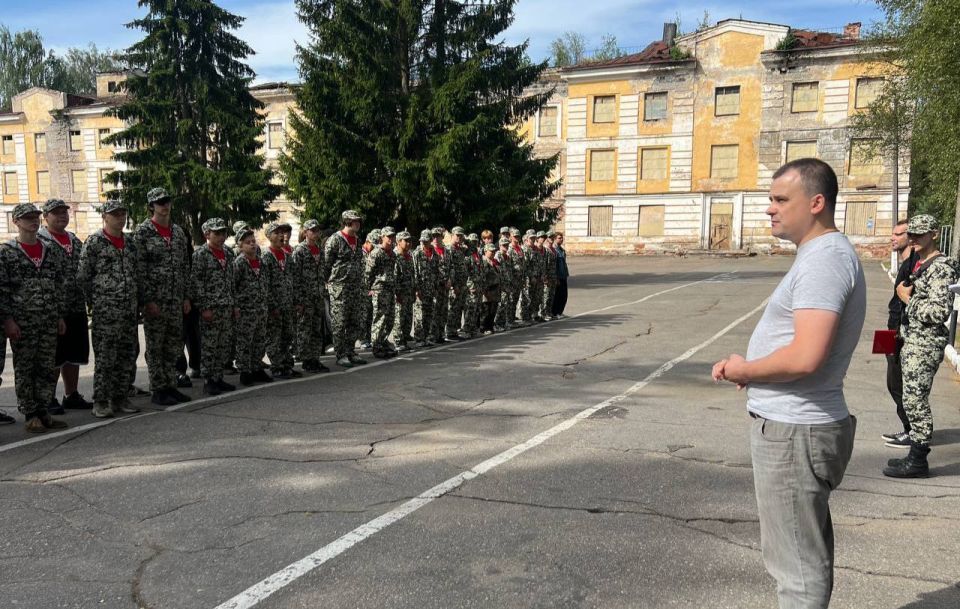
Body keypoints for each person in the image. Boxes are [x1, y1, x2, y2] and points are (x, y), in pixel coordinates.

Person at [712, 158, 864, 609]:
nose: (769, 209)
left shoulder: (826, 260)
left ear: (816, 203)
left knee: (796, 568)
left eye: (781, 199)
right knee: (801, 553)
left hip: (796, 431)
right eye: (770, 200)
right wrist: (758, 369)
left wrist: (745, 370)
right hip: (796, 426)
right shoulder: (821, 255)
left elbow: (806, 356)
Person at [884, 214, 960, 478]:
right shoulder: (918, 262)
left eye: (919, 234)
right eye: (911, 234)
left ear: (934, 234)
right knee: (906, 394)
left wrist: (907, 299)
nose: (913, 239)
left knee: (916, 400)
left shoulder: (942, 267)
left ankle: (918, 461)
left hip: (925, 343)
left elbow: (939, 312)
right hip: (907, 335)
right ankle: (913, 452)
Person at [0, 202, 69, 433]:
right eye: (27, 217)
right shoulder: (7, 253)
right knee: (26, 367)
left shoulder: (49, 249)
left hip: (48, 319)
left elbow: (57, 284)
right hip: (23, 322)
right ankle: (30, 413)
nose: (33, 221)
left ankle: (43, 410)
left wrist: (59, 315)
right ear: (16, 221)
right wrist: (8, 320)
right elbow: (3, 290)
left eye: (35, 217)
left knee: (47, 367)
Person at [78, 200, 140, 418]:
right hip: (106, 311)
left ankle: (120, 397)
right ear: (105, 216)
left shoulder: (130, 243)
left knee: (126, 356)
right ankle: (101, 401)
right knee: (106, 359)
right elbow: (84, 276)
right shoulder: (95, 242)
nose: (120, 218)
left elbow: (136, 273)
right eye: (115, 214)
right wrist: (96, 301)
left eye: (123, 214)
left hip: (129, 310)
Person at [134, 187, 192, 407]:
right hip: (155, 301)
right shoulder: (143, 232)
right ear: (151, 206)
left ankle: (170, 385)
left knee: (173, 346)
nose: (164, 205)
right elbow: (139, 269)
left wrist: (186, 296)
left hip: (176, 299)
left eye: (167, 201)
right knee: (156, 346)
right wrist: (147, 300)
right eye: (159, 202)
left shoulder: (178, 232)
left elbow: (185, 266)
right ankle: (158, 388)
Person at [37, 198, 94, 414]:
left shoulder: (74, 241)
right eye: (56, 213)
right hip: (53, 309)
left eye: (64, 212)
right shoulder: (41, 241)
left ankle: (71, 394)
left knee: (74, 354)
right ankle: (48, 397)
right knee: (54, 355)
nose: (62, 216)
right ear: (46, 217)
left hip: (76, 305)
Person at [880, 220, 919, 448]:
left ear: (910, 236)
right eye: (892, 233)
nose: (892, 238)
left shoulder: (915, 262)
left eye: (898, 234)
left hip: (901, 330)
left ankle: (912, 430)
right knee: (891, 380)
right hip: (890, 327)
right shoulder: (905, 261)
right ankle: (907, 427)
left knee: (899, 382)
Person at [191, 218, 238, 396]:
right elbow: (196, 283)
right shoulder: (201, 255)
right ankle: (208, 380)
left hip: (226, 305)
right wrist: (204, 307)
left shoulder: (228, 253)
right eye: (216, 233)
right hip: (211, 307)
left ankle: (218, 377)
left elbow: (231, 281)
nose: (221, 236)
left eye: (223, 232)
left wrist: (234, 304)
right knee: (210, 346)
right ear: (207, 234)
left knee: (223, 345)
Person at [322, 210, 367, 368]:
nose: (358, 223)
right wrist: (326, 284)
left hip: (355, 287)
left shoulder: (357, 240)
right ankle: (341, 354)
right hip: (339, 288)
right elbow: (326, 264)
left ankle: (350, 351)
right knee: (339, 323)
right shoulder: (335, 240)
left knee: (355, 321)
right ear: (347, 222)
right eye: (356, 221)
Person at [233, 227, 273, 386]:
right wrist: (236, 306)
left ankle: (256, 367)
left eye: (253, 242)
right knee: (245, 342)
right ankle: (245, 371)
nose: (252, 245)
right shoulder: (239, 263)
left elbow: (266, 284)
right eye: (247, 243)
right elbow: (233, 286)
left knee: (259, 340)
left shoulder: (261, 262)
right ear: (240, 246)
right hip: (246, 310)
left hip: (261, 309)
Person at [262, 221, 301, 379]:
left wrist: (296, 301)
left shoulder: (286, 256)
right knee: (274, 337)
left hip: (288, 304)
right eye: (276, 233)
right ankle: (276, 366)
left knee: (287, 336)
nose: (280, 236)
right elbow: (265, 284)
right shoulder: (266, 256)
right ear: (269, 236)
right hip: (275, 306)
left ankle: (286, 364)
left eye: (281, 233)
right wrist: (272, 305)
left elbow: (293, 279)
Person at [292, 219, 329, 373]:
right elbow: (295, 277)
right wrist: (299, 300)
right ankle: (306, 359)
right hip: (306, 298)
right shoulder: (299, 251)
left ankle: (315, 358)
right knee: (304, 329)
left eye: (317, 230)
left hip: (318, 296)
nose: (315, 233)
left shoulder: (319, 250)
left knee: (316, 330)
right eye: (312, 230)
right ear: (305, 232)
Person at [365, 226, 398, 358]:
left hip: (390, 290)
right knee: (380, 318)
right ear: (382, 238)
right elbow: (368, 273)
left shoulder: (393, 254)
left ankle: (383, 342)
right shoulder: (376, 253)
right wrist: (368, 289)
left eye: (392, 236)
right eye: (388, 236)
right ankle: (376, 346)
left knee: (389, 319)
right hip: (379, 290)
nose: (391, 239)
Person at [412, 230, 438, 349]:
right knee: (419, 315)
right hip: (421, 289)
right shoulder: (417, 253)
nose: (423, 243)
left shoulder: (434, 254)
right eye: (422, 241)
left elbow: (436, 271)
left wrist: (436, 287)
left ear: (430, 241)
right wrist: (417, 289)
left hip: (431, 288)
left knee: (429, 314)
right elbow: (415, 272)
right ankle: (418, 338)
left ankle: (426, 337)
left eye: (426, 241)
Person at [392, 231, 416, 353]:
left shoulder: (409, 255)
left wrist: (413, 290)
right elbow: (395, 277)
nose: (408, 243)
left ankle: (404, 340)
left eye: (410, 241)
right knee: (399, 318)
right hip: (400, 294)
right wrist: (397, 293)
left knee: (407, 317)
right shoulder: (395, 256)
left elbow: (412, 274)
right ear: (398, 242)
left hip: (408, 292)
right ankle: (398, 342)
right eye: (405, 241)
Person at [446, 227, 469, 341]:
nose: (459, 237)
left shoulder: (460, 249)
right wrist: (454, 285)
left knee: (457, 308)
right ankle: (450, 332)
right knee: (453, 308)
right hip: (455, 285)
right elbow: (450, 267)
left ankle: (454, 330)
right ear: (452, 235)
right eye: (457, 235)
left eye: (461, 236)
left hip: (461, 284)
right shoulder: (450, 249)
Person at [431, 226, 451, 344]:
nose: (435, 239)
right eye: (433, 236)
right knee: (435, 311)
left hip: (445, 286)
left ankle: (440, 335)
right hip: (435, 286)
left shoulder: (446, 251)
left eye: (438, 236)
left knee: (443, 311)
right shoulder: (430, 251)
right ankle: (433, 335)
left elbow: (451, 266)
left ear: (442, 237)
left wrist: (450, 279)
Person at [480, 243, 501, 333]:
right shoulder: (484, 262)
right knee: (486, 311)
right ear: (485, 251)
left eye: (494, 251)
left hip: (495, 290)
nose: (493, 253)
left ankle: (490, 327)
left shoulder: (494, 262)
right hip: (488, 290)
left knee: (493, 310)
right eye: (491, 251)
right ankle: (484, 328)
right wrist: (485, 291)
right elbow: (483, 277)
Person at [494, 237, 514, 331]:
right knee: (500, 305)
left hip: (508, 284)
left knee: (506, 304)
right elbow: (498, 271)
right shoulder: (498, 256)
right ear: (499, 246)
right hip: (501, 285)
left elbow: (509, 271)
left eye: (507, 245)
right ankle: (496, 323)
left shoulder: (508, 256)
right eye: (503, 245)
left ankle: (503, 323)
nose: (505, 247)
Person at [541, 230, 558, 321]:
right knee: (546, 296)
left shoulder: (553, 249)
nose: (551, 239)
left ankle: (549, 312)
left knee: (551, 295)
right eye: (550, 237)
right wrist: (545, 277)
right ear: (546, 238)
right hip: (548, 276)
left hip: (553, 276)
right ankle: (543, 313)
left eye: (552, 237)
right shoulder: (546, 250)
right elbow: (544, 265)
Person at [552, 231, 569, 318]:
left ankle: (560, 311)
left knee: (564, 295)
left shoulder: (561, 250)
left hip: (563, 275)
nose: (561, 239)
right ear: (554, 239)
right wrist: (556, 277)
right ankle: (555, 312)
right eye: (559, 238)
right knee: (557, 295)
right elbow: (554, 265)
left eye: (562, 238)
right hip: (558, 276)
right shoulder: (554, 250)